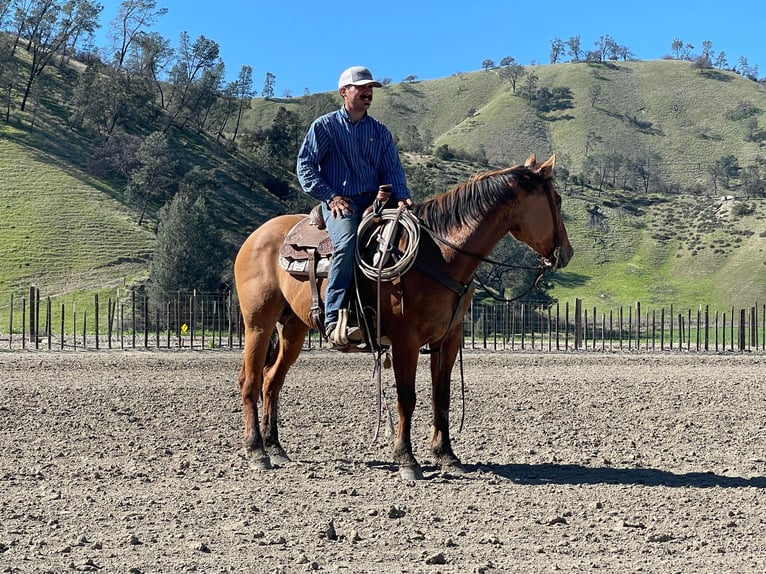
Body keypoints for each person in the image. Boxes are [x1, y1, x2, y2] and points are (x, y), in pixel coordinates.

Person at [297, 65, 413, 346]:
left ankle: (388, 315)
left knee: (406, 242)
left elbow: (393, 171)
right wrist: (330, 196)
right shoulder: (324, 126)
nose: (367, 93)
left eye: (370, 88)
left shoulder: (380, 132)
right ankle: (334, 315)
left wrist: (402, 197)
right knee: (347, 243)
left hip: (376, 202)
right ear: (343, 92)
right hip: (341, 202)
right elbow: (306, 166)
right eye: (361, 88)